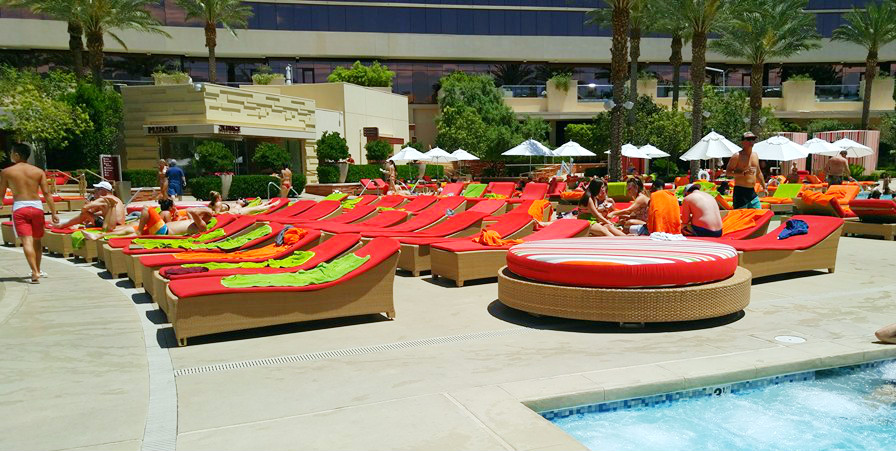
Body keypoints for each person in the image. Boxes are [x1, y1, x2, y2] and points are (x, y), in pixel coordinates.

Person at [0, 143, 59, 283]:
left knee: (27, 241)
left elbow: (1, 192)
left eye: (12, 153)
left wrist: (1, 203)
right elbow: (47, 193)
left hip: (20, 207)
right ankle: (38, 269)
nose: (10, 156)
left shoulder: (7, 172)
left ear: (17, 155)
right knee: (37, 241)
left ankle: (34, 272)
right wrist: (54, 213)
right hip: (37, 207)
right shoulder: (38, 171)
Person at [54, 181, 125, 232]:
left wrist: (87, 204)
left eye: (97, 190)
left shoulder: (104, 199)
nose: (95, 192)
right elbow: (95, 212)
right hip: (119, 225)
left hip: (112, 226)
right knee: (90, 219)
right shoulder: (115, 198)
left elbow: (84, 209)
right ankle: (66, 224)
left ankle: (62, 225)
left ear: (103, 190)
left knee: (85, 214)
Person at [726, 131, 766, 209]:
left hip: (751, 191)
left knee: (759, 215)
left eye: (753, 139)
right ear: (742, 142)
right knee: (740, 217)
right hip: (740, 191)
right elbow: (728, 172)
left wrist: (764, 187)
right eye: (748, 139)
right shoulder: (737, 156)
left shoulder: (755, 155)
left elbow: (758, 173)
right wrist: (742, 173)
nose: (751, 141)